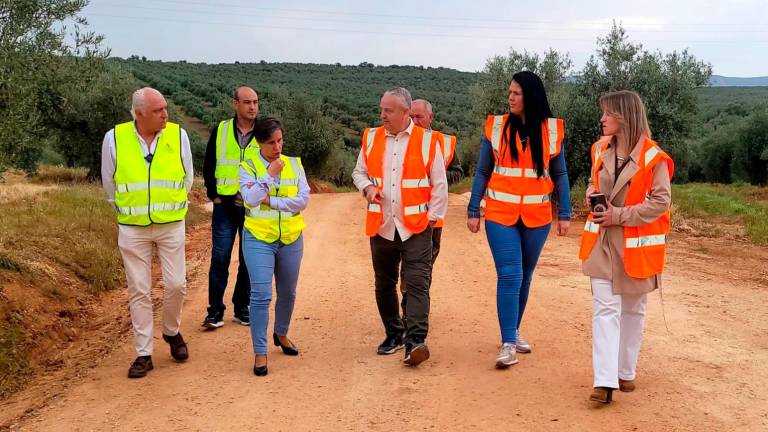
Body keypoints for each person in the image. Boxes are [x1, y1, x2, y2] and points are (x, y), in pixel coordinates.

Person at [466, 71, 571, 369]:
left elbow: (560, 174)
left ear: (531, 96)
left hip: (537, 216)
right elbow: (483, 171)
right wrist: (474, 208)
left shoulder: (552, 130)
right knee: (510, 274)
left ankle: (513, 329)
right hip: (500, 214)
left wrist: (564, 213)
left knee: (525, 277)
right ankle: (508, 343)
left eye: (516, 93)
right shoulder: (497, 126)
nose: (510, 97)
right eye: (509, 92)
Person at [580, 90, 673, 404]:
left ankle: (625, 371)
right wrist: (593, 197)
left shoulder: (653, 157)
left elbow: (661, 201)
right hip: (602, 242)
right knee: (605, 308)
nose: (602, 119)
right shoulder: (599, 149)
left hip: (635, 246)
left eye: (607, 113)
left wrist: (618, 214)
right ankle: (604, 382)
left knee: (633, 310)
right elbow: (593, 182)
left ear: (623, 116)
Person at [352, 87, 448, 367]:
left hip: (417, 227)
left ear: (405, 113)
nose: (382, 115)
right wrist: (368, 187)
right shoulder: (371, 138)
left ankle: (415, 342)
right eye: (381, 109)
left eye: (388, 111)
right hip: (382, 225)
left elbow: (439, 184)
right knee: (384, 283)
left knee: (417, 284)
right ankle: (393, 334)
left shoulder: (428, 142)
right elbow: (358, 172)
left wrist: (432, 219)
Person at [101, 87, 193, 378]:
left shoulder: (178, 136)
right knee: (139, 289)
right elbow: (109, 184)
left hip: (170, 224)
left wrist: (171, 205)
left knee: (176, 284)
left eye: (165, 108)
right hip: (132, 227)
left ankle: (171, 330)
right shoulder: (114, 138)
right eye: (158, 110)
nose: (165, 114)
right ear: (139, 114)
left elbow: (187, 177)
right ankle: (143, 353)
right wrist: (130, 211)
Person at [239, 116, 309, 376]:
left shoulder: (295, 164)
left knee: (288, 292)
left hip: (291, 237)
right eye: (271, 143)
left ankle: (281, 333)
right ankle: (260, 352)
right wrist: (268, 176)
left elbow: (302, 201)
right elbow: (251, 199)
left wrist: (273, 202)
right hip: (258, 237)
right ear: (259, 143)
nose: (278, 147)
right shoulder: (247, 166)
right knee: (260, 294)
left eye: (280, 140)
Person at [201, 86, 260, 329]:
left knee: (249, 259)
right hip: (224, 205)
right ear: (235, 103)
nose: (252, 107)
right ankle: (215, 311)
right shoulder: (222, 130)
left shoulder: (264, 131)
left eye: (255, 102)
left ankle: (241, 307)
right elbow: (209, 162)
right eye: (247, 102)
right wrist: (212, 194)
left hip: (252, 206)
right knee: (220, 258)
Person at [399, 98, 464, 315]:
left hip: (432, 218)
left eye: (419, 117)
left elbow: (458, 172)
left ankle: (414, 309)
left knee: (423, 266)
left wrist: (436, 176)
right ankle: (410, 304)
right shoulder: (400, 139)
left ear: (430, 117)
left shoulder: (443, 142)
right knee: (406, 265)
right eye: (412, 116)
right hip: (402, 216)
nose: (415, 121)